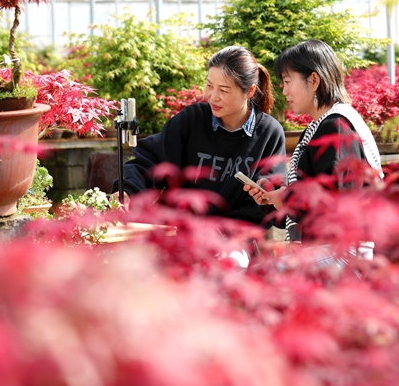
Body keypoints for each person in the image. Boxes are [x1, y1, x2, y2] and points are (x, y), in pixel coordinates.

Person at [113, 45, 287, 230]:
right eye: (209, 85)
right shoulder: (191, 120)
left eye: (224, 90)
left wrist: (222, 235)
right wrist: (128, 191)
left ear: (250, 91)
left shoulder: (269, 132)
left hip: (233, 239)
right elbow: (150, 161)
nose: (213, 96)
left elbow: (268, 201)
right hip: (178, 233)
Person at [244, 39, 383, 255]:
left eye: (288, 81)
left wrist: (287, 197)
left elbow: (335, 201)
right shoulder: (327, 124)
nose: (285, 91)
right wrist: (273, 198)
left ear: (314, 80)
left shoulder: (335, 126)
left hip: (340, 253)